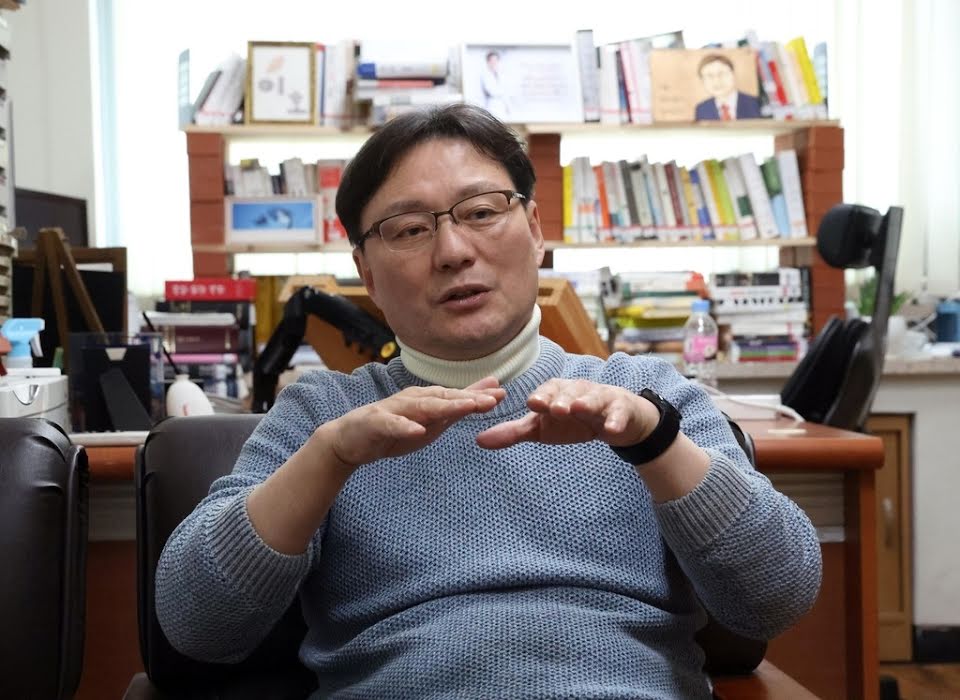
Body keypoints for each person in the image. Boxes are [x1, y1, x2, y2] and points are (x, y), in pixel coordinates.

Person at [156, 103, 821, 698]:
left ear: (534, 228)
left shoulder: (649, 396)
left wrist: (653, 441)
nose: (453, 251)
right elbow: (196, 626)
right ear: (367, 274)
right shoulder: (322, 416)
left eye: (480, 212)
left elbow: (778, 597)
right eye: (408, 230)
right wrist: (330, 458)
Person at [694, 53, 763, 121]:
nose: (717, 81)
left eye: (722, 73)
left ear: (733, 74)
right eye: (710, 76)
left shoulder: (755, 103)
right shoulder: (702, 109)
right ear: (702, 81)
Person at [480, 50, 509, 119]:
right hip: (492, 104)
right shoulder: (485, 75)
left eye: (496, 60)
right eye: (492, 61)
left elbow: (506, 91)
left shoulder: (501, 74)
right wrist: (501, 91)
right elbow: (492, 91)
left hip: (502, 105)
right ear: (488, 62)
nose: (494, 63)